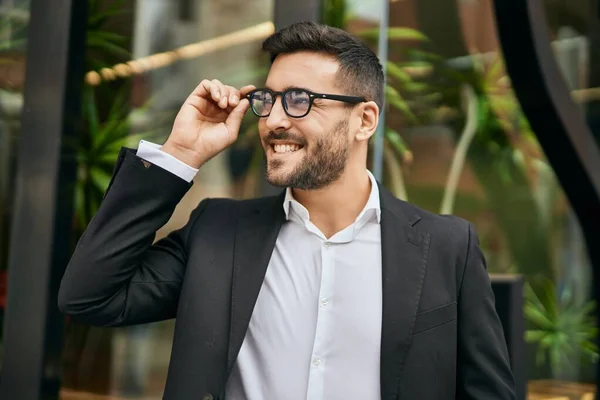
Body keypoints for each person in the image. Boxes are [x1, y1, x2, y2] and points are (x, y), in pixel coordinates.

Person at [58, 21, 516, 400]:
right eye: (268, 99)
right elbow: (90, 296)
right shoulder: (218, 232)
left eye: (300, 100)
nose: (275, 118)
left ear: (365, 120)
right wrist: (180, 152)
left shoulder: (446, 247)